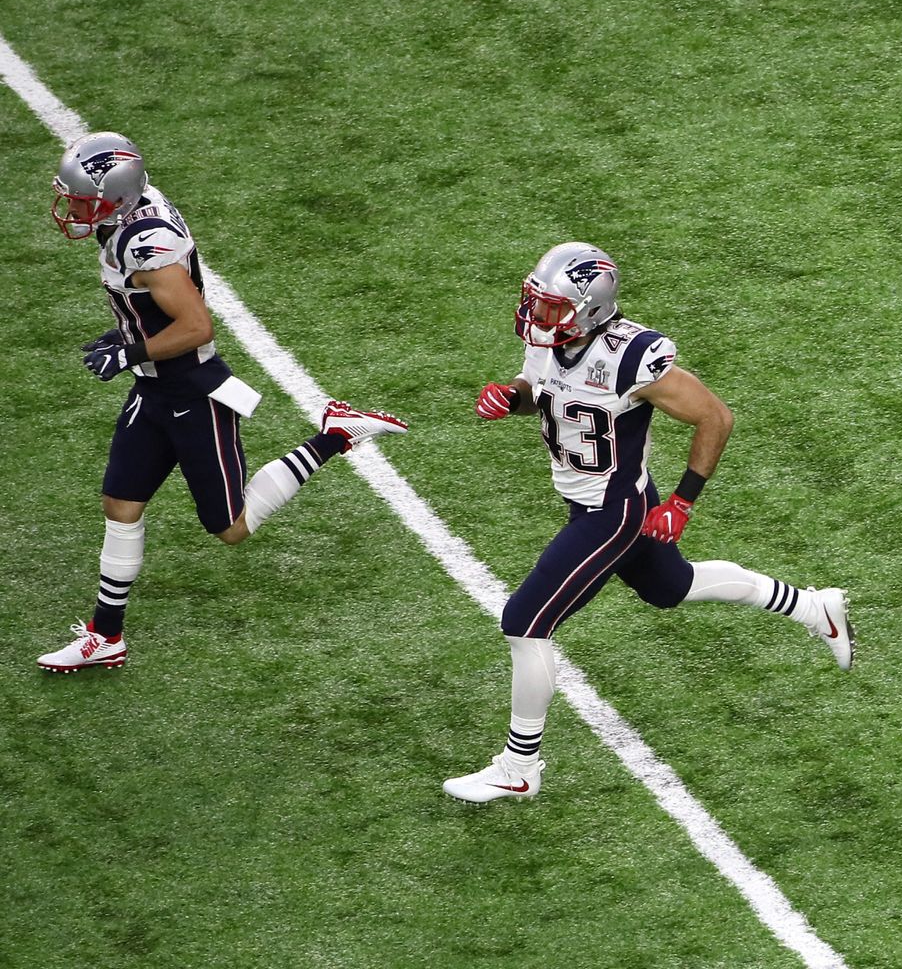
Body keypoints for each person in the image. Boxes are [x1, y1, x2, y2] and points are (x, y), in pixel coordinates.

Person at [443, 242, 853, 804]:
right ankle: (813, 606)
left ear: (590, 308)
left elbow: (715, 416)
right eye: (536, 303)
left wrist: (682, 502)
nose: (537, 317)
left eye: (551, 307)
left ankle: (519, 766)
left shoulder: (630, 356)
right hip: (592, 499)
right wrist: (508, 397)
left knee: (525, 622)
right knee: (671, 587)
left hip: (611, 512)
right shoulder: (550, 343)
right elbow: (541, 392)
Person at [36, 132, 410, 673]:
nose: (72, 209)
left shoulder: (146, 247)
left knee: (231, 527)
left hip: (192, 389)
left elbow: (194, 326)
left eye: (82, 200)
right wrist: (133, 347)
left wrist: (129, 349)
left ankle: (337, 434)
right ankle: (105, 636)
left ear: (116, 197)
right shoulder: (132, 215)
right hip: (156, 385)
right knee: (121, 504)